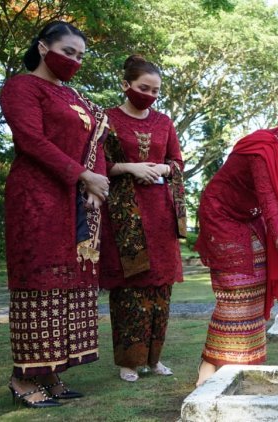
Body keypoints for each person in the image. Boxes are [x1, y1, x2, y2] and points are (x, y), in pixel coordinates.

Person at [0, 21, 110, 407]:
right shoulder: (21, 87)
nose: (74, 61)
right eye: (68, 52)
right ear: (44, 48)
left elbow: (95, 140)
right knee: (39, 281)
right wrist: (83, 176)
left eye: (80, 55)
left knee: (67, 282)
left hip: (72, 200)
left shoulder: (74, 96)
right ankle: (22, 379)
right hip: (36, 197)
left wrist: (95, 184)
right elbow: (30, 140)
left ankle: (50, 373)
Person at [194, 95, 278, 385]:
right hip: (222, 215)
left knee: (253, 291)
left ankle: (235, 369)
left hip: (248, 216)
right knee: (235, 293)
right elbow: (270, 210)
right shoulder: (262, 149)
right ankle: (208, 373)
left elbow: (271, 194)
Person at [99, 55, 187, 382]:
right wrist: (131, 168)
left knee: (161, 291)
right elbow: (97, 165)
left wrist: (161, 168)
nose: (149, 94)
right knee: (130, 290)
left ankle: (154, 358)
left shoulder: (164, 122)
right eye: (143, 88)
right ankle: (128, 361)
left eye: (155, 90)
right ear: (126, 85)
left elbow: (176, 161)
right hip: (125, 216)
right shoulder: (106, 119)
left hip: (161, 212)